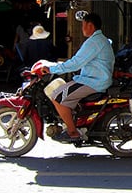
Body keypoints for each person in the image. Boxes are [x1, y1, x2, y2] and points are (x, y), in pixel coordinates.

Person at [41, 13, 114, 142]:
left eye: (83, 25)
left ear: (90, 25)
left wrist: (52, 69)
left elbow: (76, 63)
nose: (82, 28)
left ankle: (72, 132)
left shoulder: (94, 42)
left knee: (56, 96)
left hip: (93, 81)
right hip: (94, 78)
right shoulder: (100, 40)